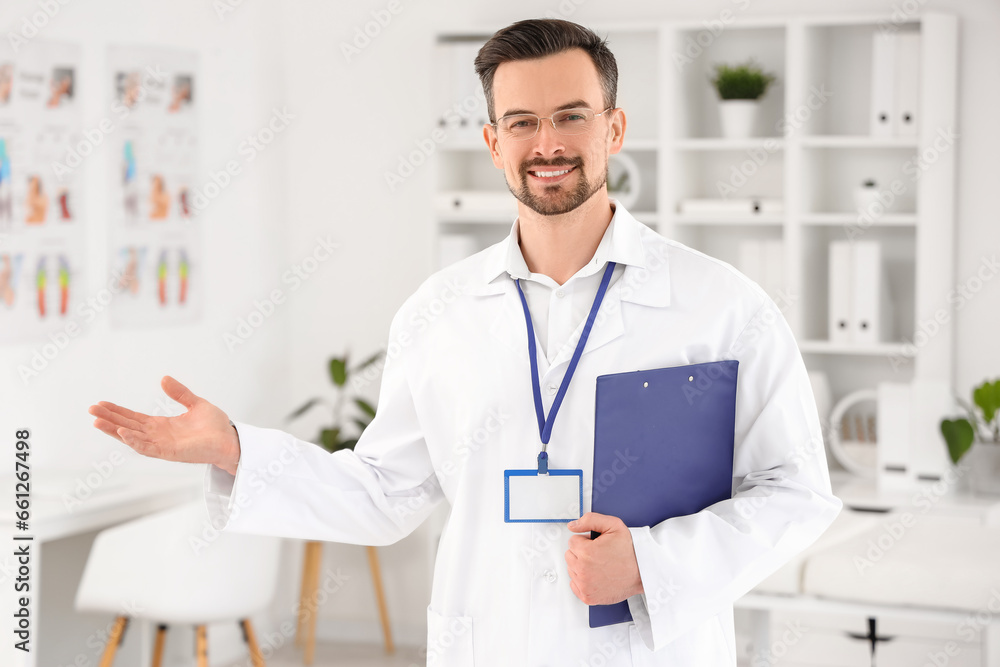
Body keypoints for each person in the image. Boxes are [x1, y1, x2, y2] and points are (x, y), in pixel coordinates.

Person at [89, 18, 842, 665]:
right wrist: (235, 450)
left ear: (614, 128)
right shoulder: (439, 312)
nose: (546, 142)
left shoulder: (720, 305)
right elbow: (385, 493)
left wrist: (652, 561)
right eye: (522, 122)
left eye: (571, 115)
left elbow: (798, 492)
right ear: (492, 141)